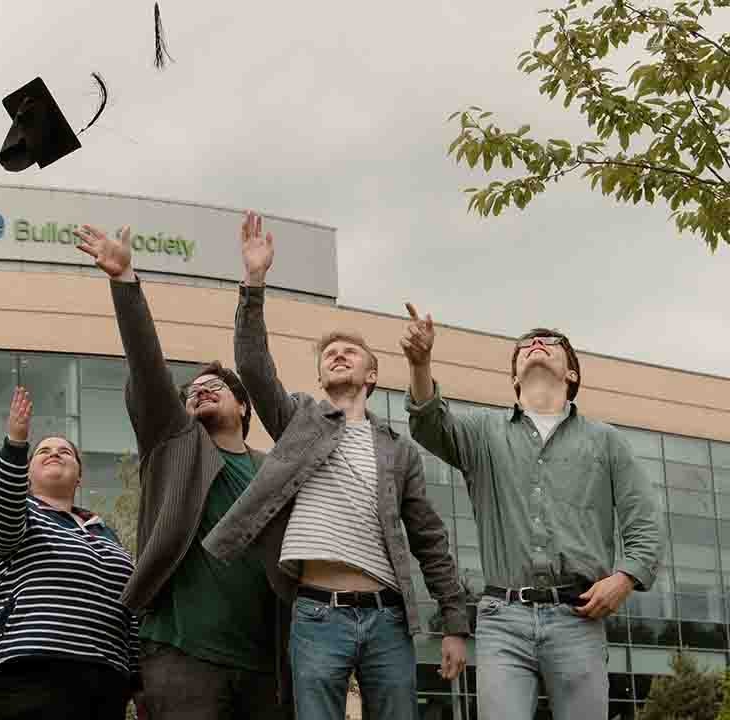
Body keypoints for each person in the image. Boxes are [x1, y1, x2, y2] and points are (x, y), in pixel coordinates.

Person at [198, 211, 468, 720]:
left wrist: (454, 624)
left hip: (388, 618)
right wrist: (253, 283)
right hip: (317, 613)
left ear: (372, 374)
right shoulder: (299, 420)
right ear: (321, 377)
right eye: (330, 355)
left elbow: (430, 540)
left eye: (350, 352)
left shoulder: (398, 451)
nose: (338, 356)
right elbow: (253, 366)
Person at [400, 304, 664, 719]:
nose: (536, 344)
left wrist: (624, 578)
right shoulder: (482, 433)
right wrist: (420, 364)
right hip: (502, 620)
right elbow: (430, 424)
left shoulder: (606, 441)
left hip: (578, 617)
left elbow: (645, 523)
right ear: (514, 377)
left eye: (550, 342)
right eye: (525, 345)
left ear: (572, 373)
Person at [73, 224, 290, 720]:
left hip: (266, 669)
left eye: (216, 386)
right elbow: (147, 365)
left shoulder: (273, 470)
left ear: (244, 406)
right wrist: (125, 282)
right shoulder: (173, 443)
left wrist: (255, 281)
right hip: (182, 657)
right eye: (193, 389)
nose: (201, 390)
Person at [0, 387, 142, 720]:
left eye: (65, 451)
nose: (54, 453)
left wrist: (138, 680)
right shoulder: (21, 515)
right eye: (44, 451)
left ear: (79, 476)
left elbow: (132, 609)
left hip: (106, 679)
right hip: (31, 670)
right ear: (26, 473)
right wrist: (16, 444)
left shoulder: (107, 534)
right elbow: (1, 506)